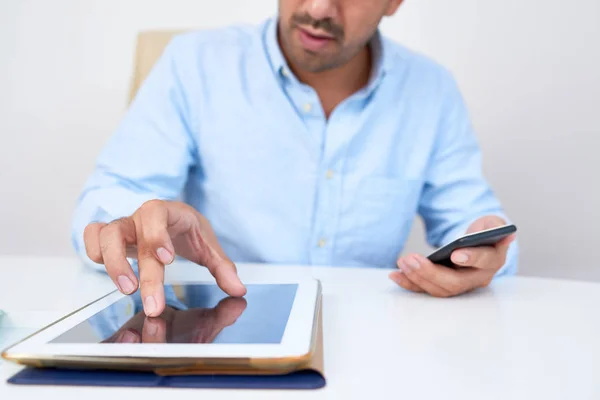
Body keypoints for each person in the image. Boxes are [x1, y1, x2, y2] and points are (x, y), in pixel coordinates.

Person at [73, 0, 518, 317]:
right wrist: (127, 226)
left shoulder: (431, 91)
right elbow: (113, 194)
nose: (320, 8)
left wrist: (482, 255)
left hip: (379, 337)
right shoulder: (195, 63)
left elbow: (472, 222)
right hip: (219, 327)